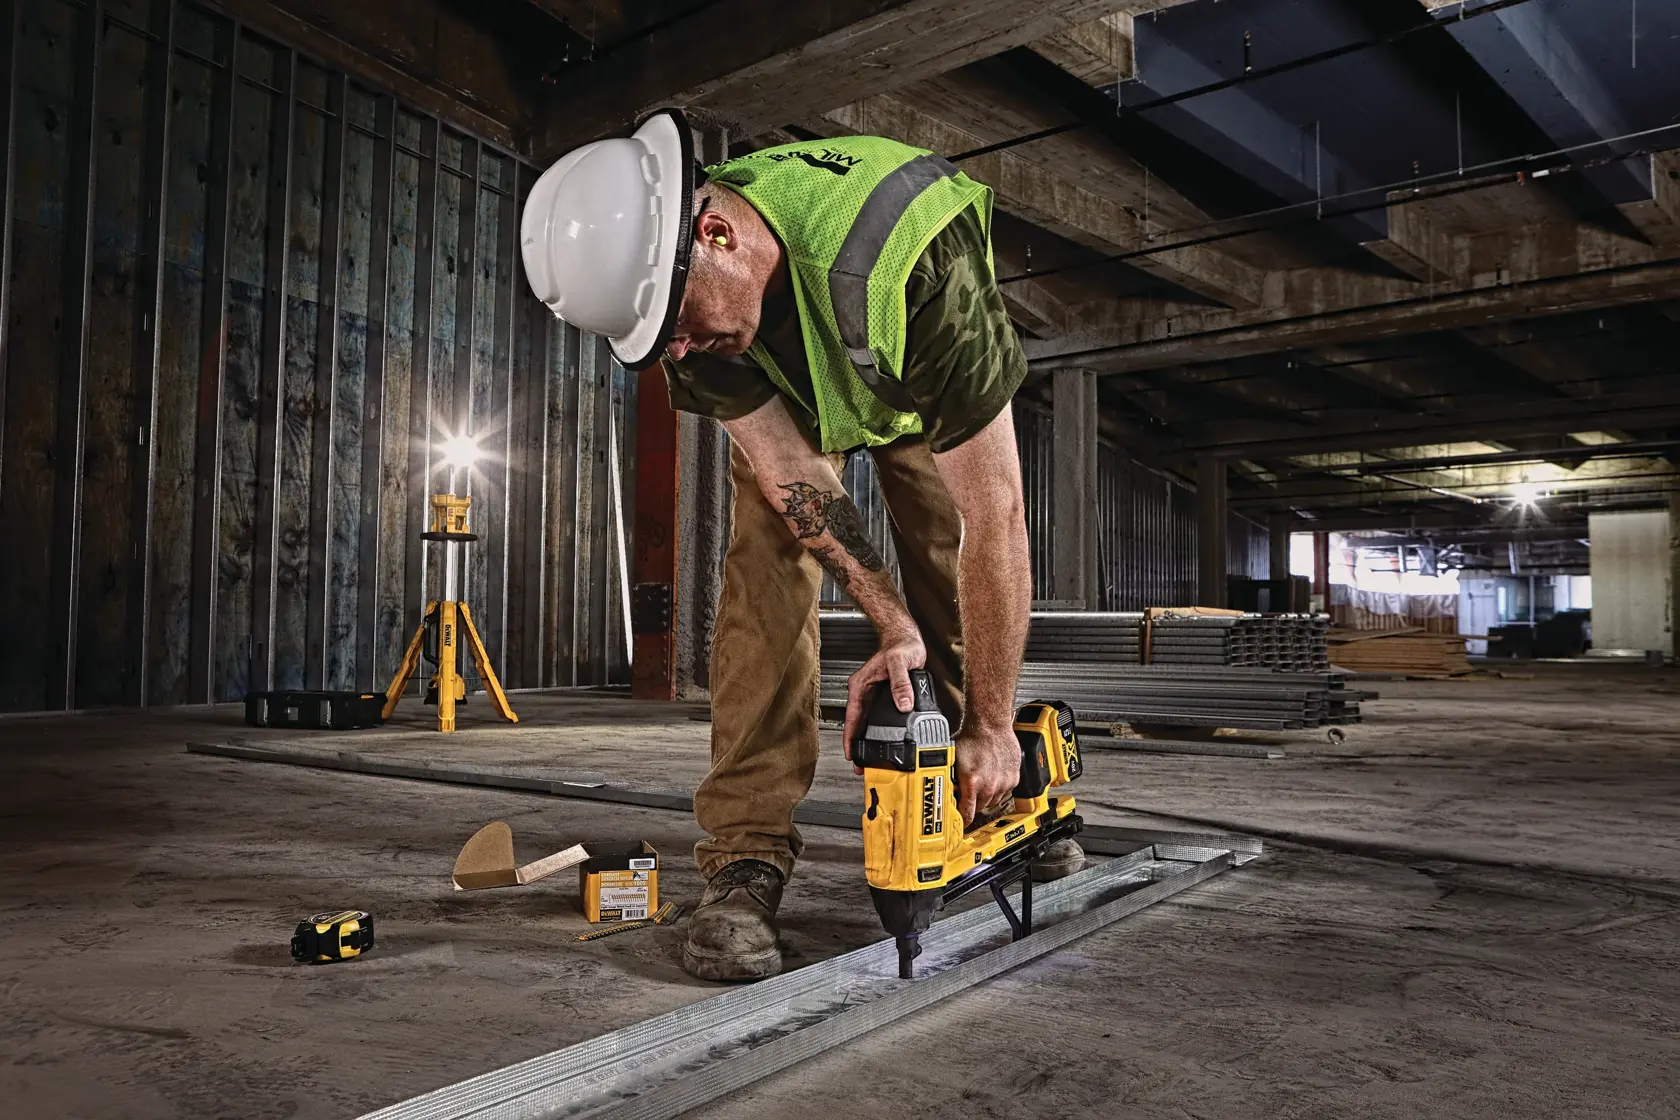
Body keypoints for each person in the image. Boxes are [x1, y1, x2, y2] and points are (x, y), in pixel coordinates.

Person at [521, 108, 1082, 982]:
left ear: (717, 234)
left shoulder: (916, 259)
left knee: (946, 549)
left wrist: (993, 723)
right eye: (660, 338)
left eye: (678, 320)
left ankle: (989, 781)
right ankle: (745, 858)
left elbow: (996, 516)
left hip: (908, 371)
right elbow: (793, 478)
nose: (676, 349)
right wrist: (889, 624)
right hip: (802, 393)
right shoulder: (691, 321)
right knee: (762, 570)